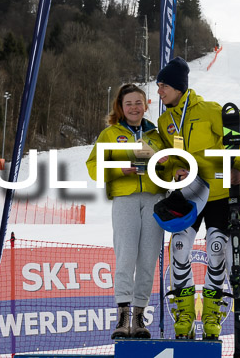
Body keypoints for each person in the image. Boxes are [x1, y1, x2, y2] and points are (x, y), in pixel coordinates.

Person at [155, 57, 240, 339]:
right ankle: (184, 314)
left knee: (217, 248)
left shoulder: (210, 111)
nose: (159, 91)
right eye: (159, 86)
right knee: (180, 246)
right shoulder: (165, 122)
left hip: (220, 192)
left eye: (163, 86)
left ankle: (212, 314)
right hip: (188, 193)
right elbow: (170, 159)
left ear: (178, 87)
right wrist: (175, 170)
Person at [85, 84, 168, 339]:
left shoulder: (156, 134)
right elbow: (93, 167)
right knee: (126, 256)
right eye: (128, 103)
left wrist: (165, 164)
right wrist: (120, 168)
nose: (134, 108)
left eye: (138, 103)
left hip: (154, 198)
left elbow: (172, 165)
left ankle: (140, 319)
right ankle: (122, 318)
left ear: (146, 105)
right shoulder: (110, 134)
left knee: (147, 260)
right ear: (120, 107)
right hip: (125, 199)